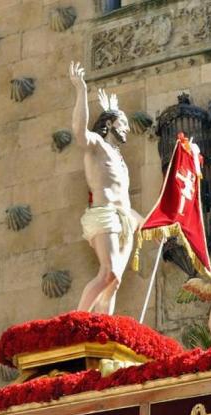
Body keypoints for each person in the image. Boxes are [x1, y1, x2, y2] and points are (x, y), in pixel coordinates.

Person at [68, 61, 144, 315]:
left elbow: (125, 203)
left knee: (115, 281)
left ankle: (103, 328)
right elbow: (79, 131)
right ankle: (77, 322)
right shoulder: (97, 145)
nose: (126, 129)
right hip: (104, 215)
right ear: (110, 123)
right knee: (107, 272)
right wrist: (81, 90)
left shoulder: (120, 160)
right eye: (122, 123)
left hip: (124, 220)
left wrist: (151, 223)